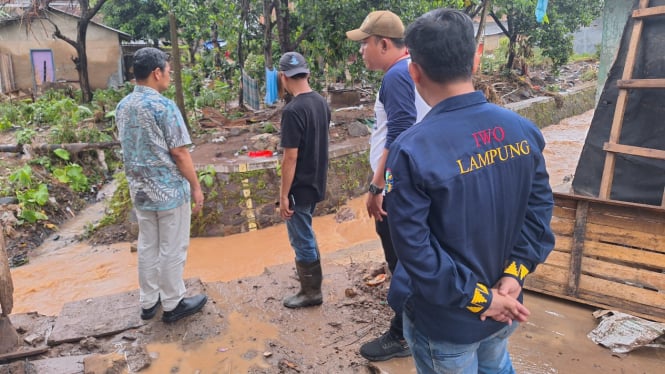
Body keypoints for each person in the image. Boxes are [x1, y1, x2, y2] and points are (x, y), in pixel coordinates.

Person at [384, 9, 555, 373]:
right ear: (476, 58)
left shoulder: (412, 150)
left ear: (414, 71)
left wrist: (481, 299)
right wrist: (513, 276)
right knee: (496, 362)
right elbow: (539, 213)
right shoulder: (522, 130)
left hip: (449, 321)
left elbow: (414, 250)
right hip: (506, 303)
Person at [346, 10, 430, 361]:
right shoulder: (416, 70)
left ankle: (402, 335)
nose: (361, 51)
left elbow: (399, 134)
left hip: (399, 187)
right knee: (414, 260)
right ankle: (416, 326)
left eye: (364, 43)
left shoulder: (396, 75)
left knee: (401, 262)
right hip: (419, 182)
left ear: (383, 43)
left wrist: (377, 186)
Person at [116, 47, 207, 323]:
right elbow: (179, 153)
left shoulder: (123, 106)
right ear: (157, 73)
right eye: (168, 70)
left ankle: (148, 301)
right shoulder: (163, 107)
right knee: (172, 246)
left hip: (141, 192)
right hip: (168, 192)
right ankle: (173, 303)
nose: (170, 75)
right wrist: (196, 186)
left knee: (148, 245)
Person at [277, 51, 331, 309]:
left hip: (299, 185)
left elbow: (290, 158)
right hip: (317, 181)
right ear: (308, 73)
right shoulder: (321, 102)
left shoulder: (293, 111)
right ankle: (311, 283)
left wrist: (283, 194)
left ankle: (311, 292)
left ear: (282, 77)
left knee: (301, 237)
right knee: (306, 231)